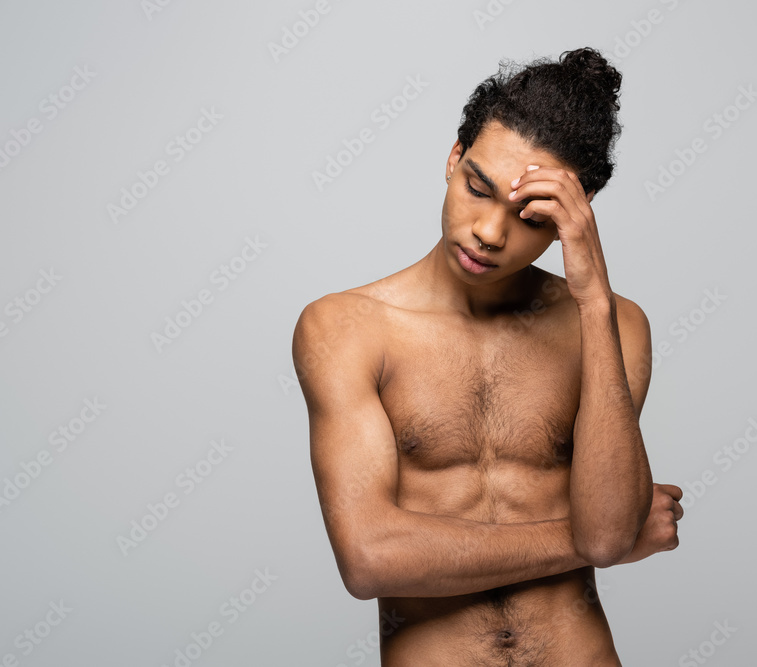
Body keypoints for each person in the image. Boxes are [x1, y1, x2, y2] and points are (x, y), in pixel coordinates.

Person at [292, 46, 684, 666]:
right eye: (479, 189)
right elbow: (369, 559)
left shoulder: (614, 326)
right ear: (454, 159)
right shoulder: (346, 327)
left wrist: (592, 300)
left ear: (571, 221)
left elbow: (609, 527)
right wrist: (589, 542)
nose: (491, 232)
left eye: (532, 217)